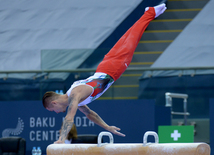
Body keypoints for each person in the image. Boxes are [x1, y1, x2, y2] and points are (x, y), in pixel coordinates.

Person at [42, 3, 167, 144]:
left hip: (112, 69)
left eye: (53, 109)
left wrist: (61, 139)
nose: (57, 112)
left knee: (133, 38)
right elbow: (90, 114)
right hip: (105, 66)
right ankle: (147, 13)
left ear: (54, 102)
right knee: (128, 37)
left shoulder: (75, 95)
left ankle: (149, 13)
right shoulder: (76, 98)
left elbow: (69, 118)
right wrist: (107, 127)